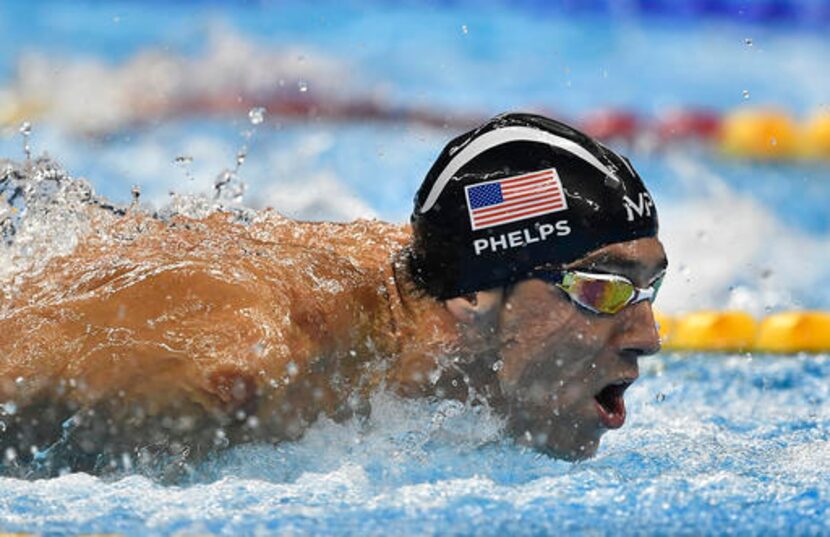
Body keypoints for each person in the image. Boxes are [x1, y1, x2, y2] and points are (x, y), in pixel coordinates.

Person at [0, 113, 666, 476]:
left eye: (647, 287)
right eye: (602, 290)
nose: (648, 335)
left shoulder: (425, 294)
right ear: (475, 296)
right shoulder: (239, 369)